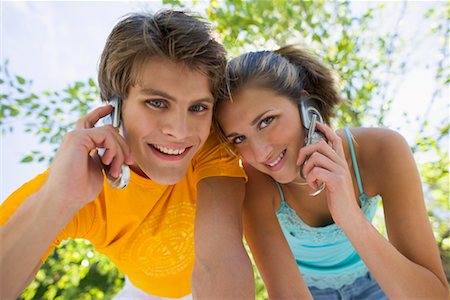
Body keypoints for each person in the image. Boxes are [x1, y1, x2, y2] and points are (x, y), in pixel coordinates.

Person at [0, 10, 255, 299]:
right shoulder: (76, 183)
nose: (180, 131)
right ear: (114, 107)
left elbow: (217, 263)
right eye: (157, 102)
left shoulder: (209, 146)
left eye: (197, 107)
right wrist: (61, 199)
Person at [214, 45, 450, 299]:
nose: (260, 153)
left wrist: (350, 216)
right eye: (239, 139)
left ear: (306, 105)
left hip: (385, 277)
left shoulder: (381, 150)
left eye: (266, 121)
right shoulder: (253, 182)